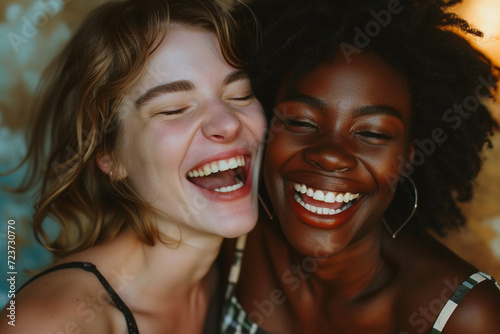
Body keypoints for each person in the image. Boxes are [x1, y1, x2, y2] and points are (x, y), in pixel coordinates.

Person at [221, 0, 500, 333]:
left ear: (409, 158)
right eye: (301, 122)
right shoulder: (229, 237)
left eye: (371, 133)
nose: (331, 155)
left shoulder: (463, 316)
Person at [0, 0, 266, 333]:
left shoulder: (248, 272)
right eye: (173, 109)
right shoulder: (51, 324)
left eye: (240, 94)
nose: (228, 123)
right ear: (110, 154)